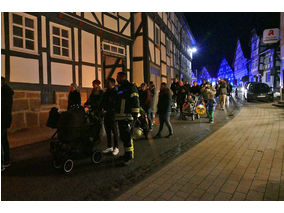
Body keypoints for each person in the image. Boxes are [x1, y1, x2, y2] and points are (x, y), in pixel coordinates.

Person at [115, 72, 140, 165]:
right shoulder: (121, 88)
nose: (116, 78)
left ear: (123, 77)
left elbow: (135, 100)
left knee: (128, 137)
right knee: (123, 137)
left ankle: (129, 157)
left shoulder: (131, 87)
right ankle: (126, 154)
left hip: (128, 116)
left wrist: (135, 115)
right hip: (121, 116)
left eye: (118, 77)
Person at [101, 78, 119, 156]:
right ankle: (109, 146)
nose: (106, 83)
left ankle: (116, 147)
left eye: (107, 82)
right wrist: (102, 109)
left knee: (114, 131)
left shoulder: (116, 92)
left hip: (113, 114)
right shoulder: (106, 92)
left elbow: (115, 104)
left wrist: (108, 110)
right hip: (106, 114)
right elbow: (103, 101)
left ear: (112, 83)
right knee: (108, 131)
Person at [1, 77, 14, 170]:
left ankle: (4, 161)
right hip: (4, 120)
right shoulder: (5, 92)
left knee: (2, 141)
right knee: (3, 140)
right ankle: (6, 160)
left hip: (3, 120)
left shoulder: (6, 93)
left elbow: (4, 108)